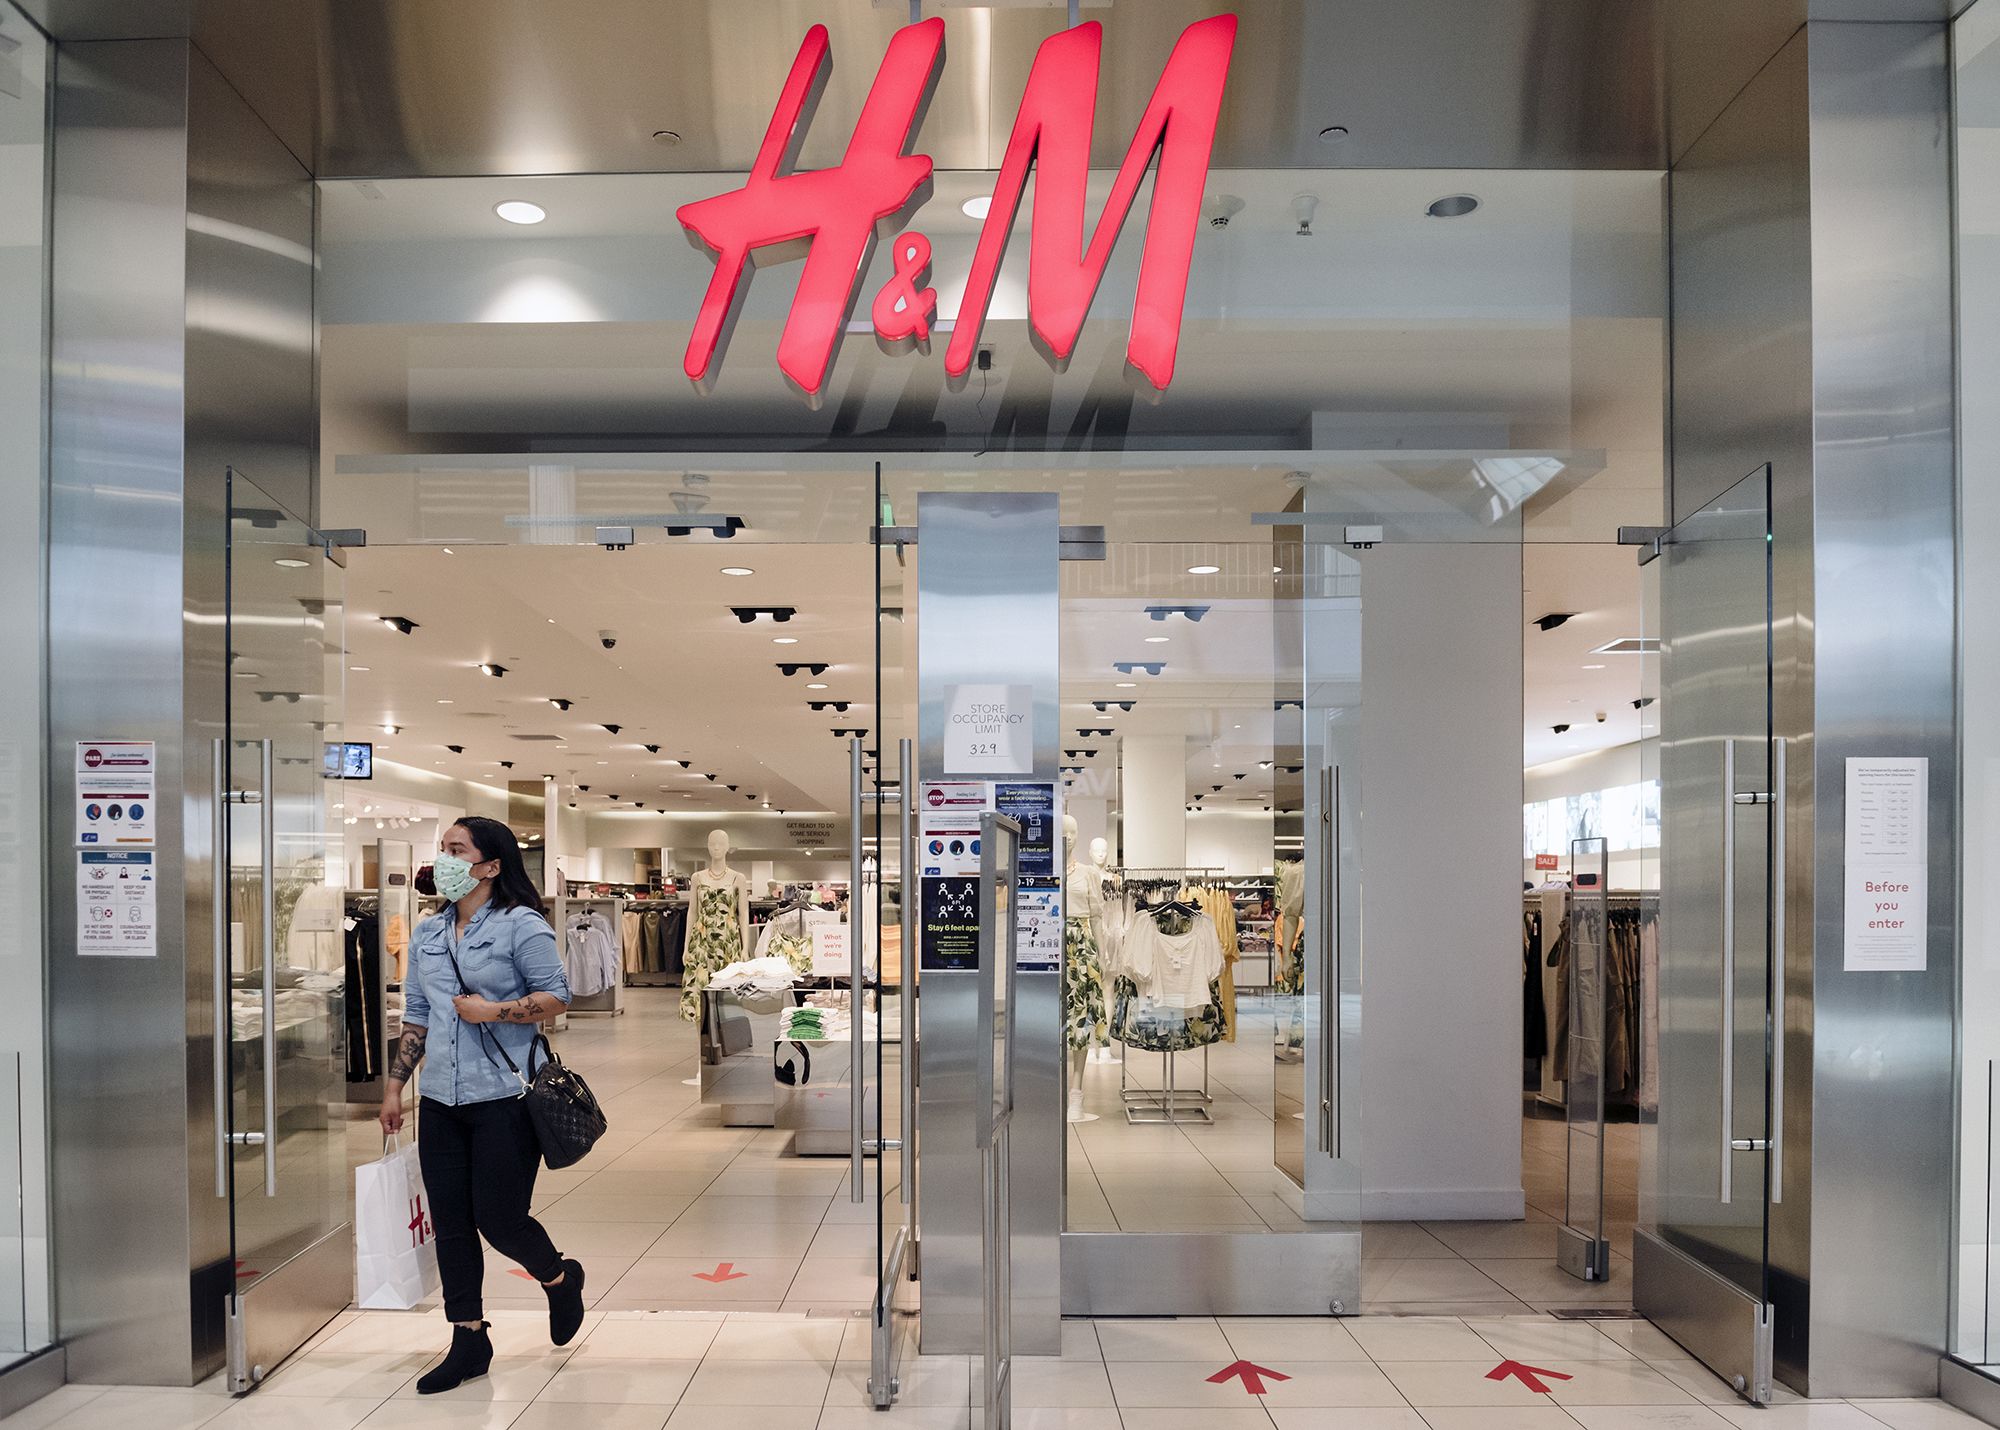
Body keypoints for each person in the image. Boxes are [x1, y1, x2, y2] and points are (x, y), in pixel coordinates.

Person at [379, 816, 584, 1394]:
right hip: (440, 1098)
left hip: (505, 1097)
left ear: (491, 866)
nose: (444, 859)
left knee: (499, 1219)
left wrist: (491, 1011)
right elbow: (417, 1013)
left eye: (457, 850)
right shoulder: (428, 932)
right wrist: (395, 1087)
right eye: (442, 848)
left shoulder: (523, 925)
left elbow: (557, 996)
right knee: (450, 1223)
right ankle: (469, 1338)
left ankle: (559, 1278)